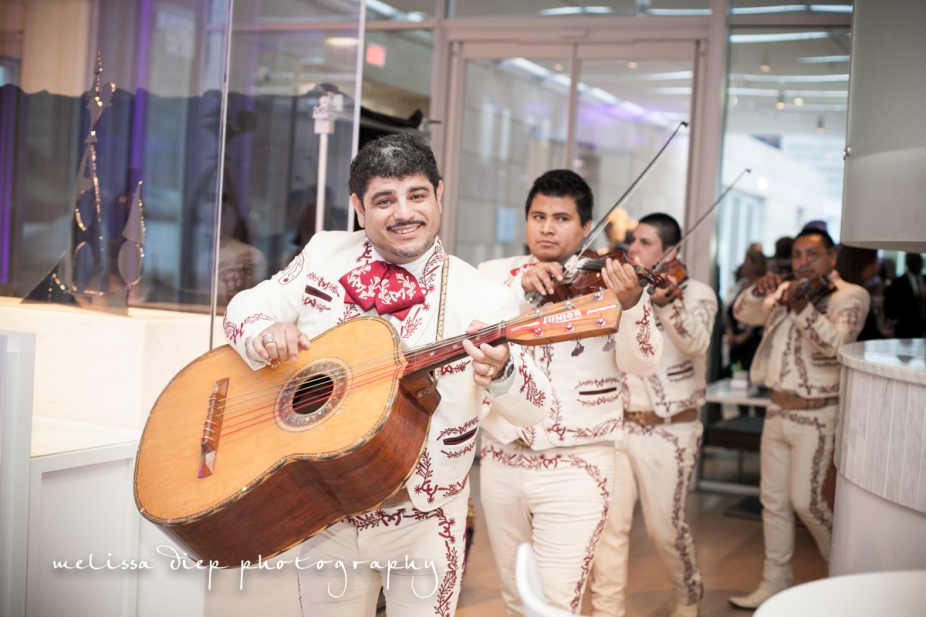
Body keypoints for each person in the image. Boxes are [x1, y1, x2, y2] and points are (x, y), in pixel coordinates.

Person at [222, 133, 554, 617]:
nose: (404, 212)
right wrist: (262, 331)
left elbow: (537, 407)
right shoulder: (325, 255)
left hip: (425, 517)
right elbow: (247, 305)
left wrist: (503, 374)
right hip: (327, 510)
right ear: (358, 207)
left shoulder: (486, 297)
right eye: (384, 200)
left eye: (417, 195)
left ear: (439, 195)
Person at [477, 170, 663, 616]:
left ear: (585, 227)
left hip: (577, 463)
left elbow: (642, 362)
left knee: (556, 603)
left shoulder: (613, 281)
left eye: (561, 218)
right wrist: (520, 287)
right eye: (537, 216)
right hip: (502, 457)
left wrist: (633, 304)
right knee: (515, 596)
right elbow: (473, 332)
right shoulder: (495, 275)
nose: (546, 227)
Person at [728, 228, 870, 610]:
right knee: (772, 501)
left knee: (807, 502)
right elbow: (743, 314)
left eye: (812, 254)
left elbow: (837, 344)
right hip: (776, 409)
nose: (802, 262)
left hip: (817, 413)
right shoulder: (787, 288)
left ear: (832, 257)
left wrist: (801, 308)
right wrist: (758, 291)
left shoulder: (851, 296)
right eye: (796, 255)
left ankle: (843, 578)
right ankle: (774, 582)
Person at [589, 213, 718, 617]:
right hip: (620, 424)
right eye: (634, 240)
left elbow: (697, 344)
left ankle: (688, 594)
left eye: (645, 243)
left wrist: (668, 306)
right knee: (611, 527)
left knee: (665, 528)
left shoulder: (695, 293)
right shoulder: (627, 289)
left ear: (670, 252)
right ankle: (609, 609)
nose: (633, 250)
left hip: (670, 428)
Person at [885, 253, 926, 339]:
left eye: (919, 261)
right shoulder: (898, 283)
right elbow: (891, 304)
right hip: (906, 328)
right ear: (908, 262)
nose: (917, 264)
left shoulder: (924, 279)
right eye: (914, 261)